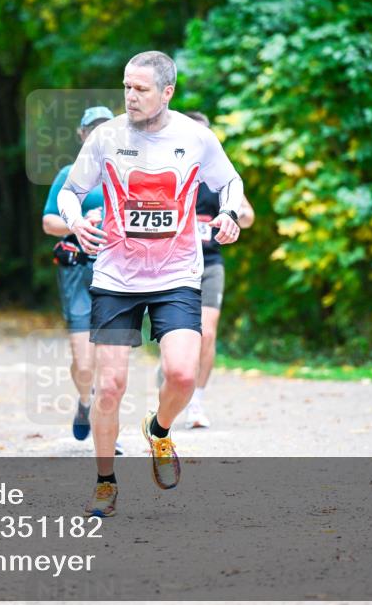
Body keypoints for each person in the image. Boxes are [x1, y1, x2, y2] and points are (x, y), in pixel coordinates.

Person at [57, 51, 245, 517]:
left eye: (140, 89)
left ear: (168, 92)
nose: (130, 96)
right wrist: (75, 220)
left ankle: (158, 431)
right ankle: (105, 483)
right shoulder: (106, 137)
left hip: (176, 273)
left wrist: (229, 213)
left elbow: (231, 183)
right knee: (110, 386)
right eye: (126, 87)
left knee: (182, 373)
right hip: (116, 276)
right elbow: (70, 191)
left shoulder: (196, 138)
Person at [41, 106, 113, 442]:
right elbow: (48, 223)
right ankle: (85, 401)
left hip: (118, 274)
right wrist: (79, 223)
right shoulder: (69, 174)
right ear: (82, 135)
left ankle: (106, 429)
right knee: (85, 365)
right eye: (92, 129)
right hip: (79, 273)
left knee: (110, 363)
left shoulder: (128, 173)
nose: (99, 134)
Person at [182, 111, 255, 429]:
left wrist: (231, 215)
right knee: (179, 337)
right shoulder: (168, 171)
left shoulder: (219, 177)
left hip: (210, 264)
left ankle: (196, 402)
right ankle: (174, 378)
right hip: (175, 266)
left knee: (207, 332)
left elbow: (248, 214)